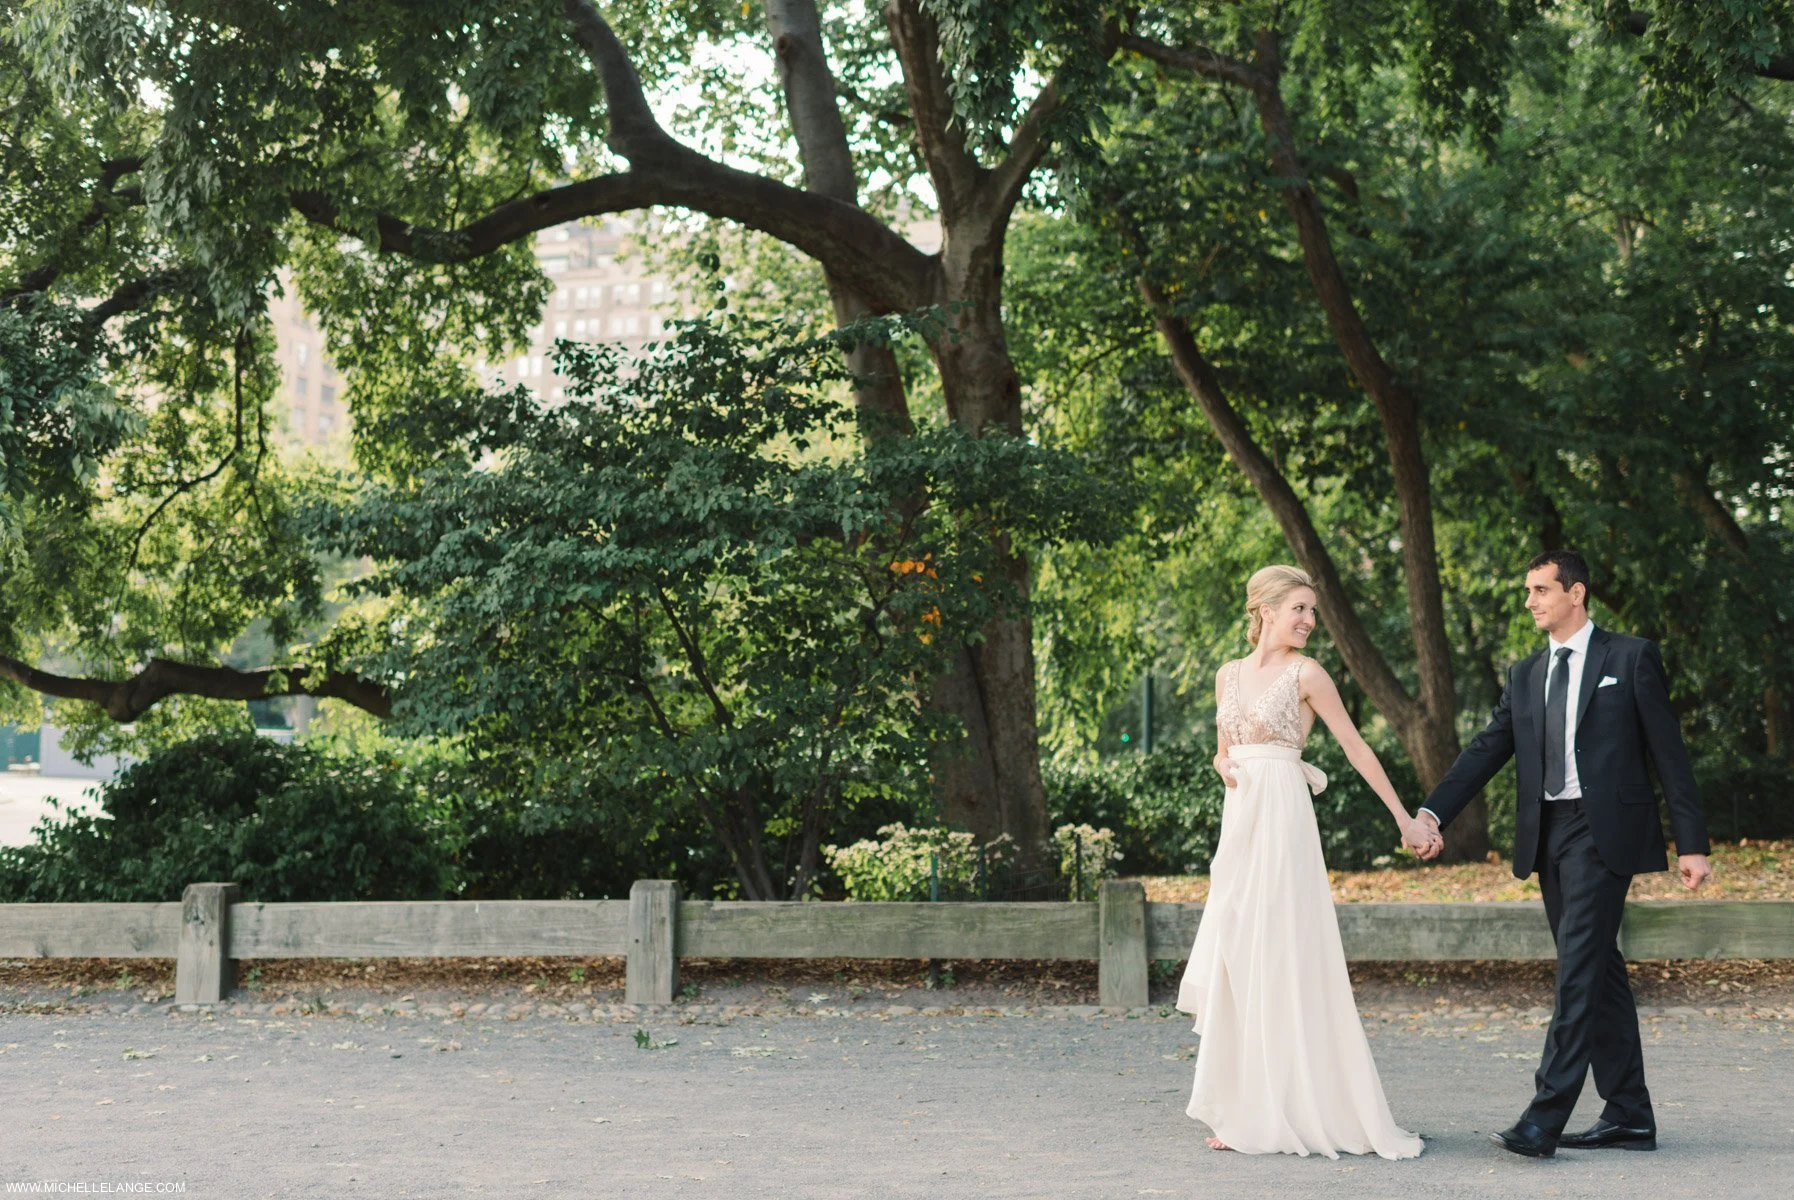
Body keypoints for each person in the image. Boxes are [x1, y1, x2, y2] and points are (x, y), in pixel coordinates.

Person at [1415, 549, 1712, 1158]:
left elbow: (1669, 752)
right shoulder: (1526, 674)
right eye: (1528, 590)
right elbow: (1487, 749)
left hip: (1605, 833)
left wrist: (1694, 843)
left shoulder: (1629, 657)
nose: (1530, 601)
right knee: (1598, 971)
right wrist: (1432, 811)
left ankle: (1544, 1117)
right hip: (1548, 832)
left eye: (1541, 589)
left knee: (1577, 969)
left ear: (1575, 593)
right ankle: (1629, 1113)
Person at [1179, 564, 1438, 1159]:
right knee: (1236, 953)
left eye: (1312, 611)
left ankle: (1294, 1107)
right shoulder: (1227, 675)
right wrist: (1225, 766)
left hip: (1283, 820)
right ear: (1265, 609)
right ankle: (1246, 1106)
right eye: (1299, 608)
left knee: (1281, 951)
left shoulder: (1309, 673)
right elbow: (1222, 753)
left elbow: (1354, 745)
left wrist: (1404, 818)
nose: (1309, 620)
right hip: (1240, 821)